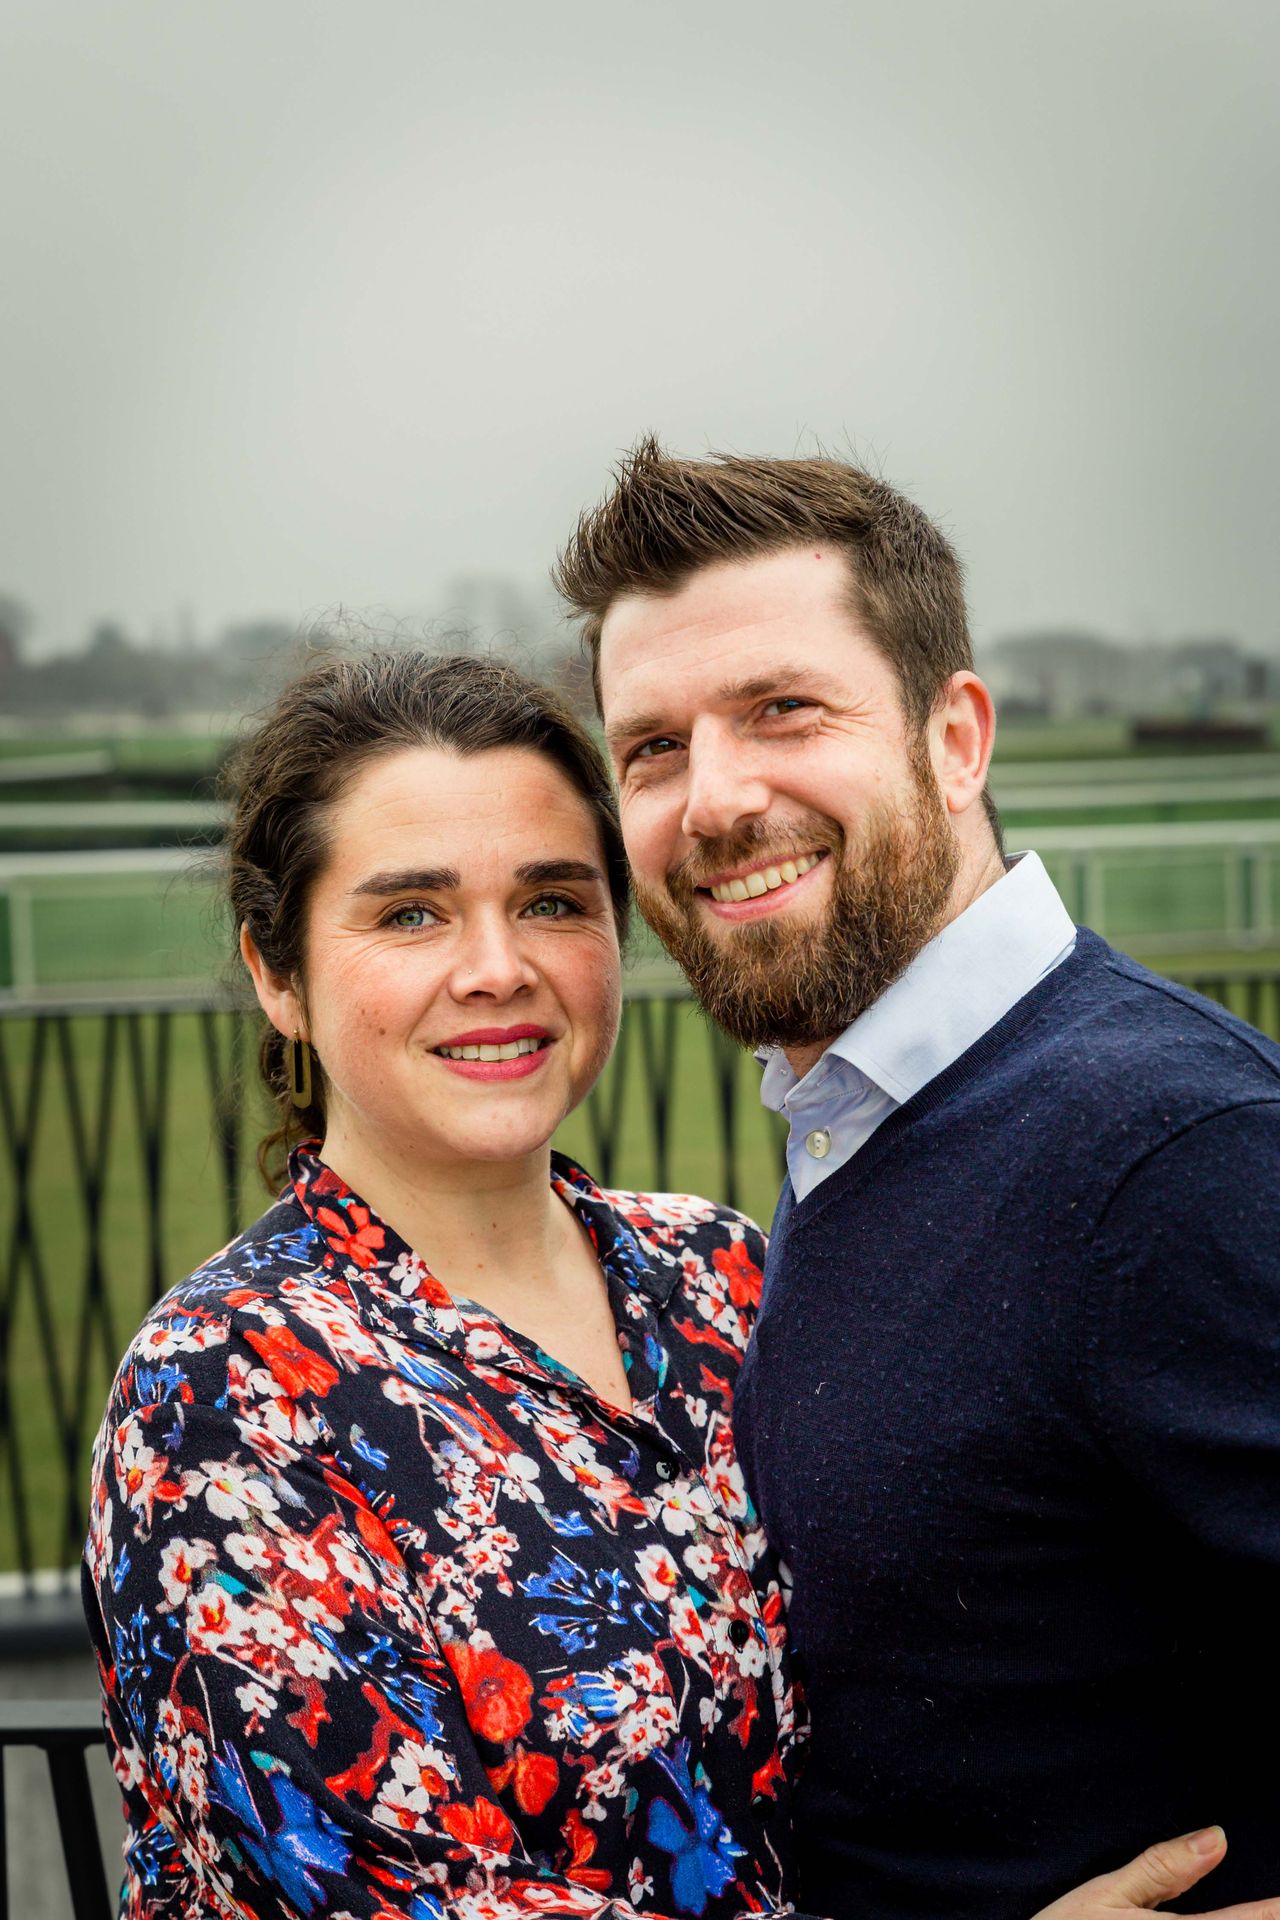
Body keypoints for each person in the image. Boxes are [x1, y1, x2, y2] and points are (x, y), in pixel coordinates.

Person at [83, 651, 1250, 1920]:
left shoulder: (716, 1271)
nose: (495, 967)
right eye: (410, 913)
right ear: (276, 971)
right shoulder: (218, 1392)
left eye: (551, 902)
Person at [555, 440, 1280, 1920]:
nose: (713, 799)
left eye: (782, 711)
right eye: (652, 748)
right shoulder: (870, 1116)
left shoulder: (1172, 1147)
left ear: (957, 740)